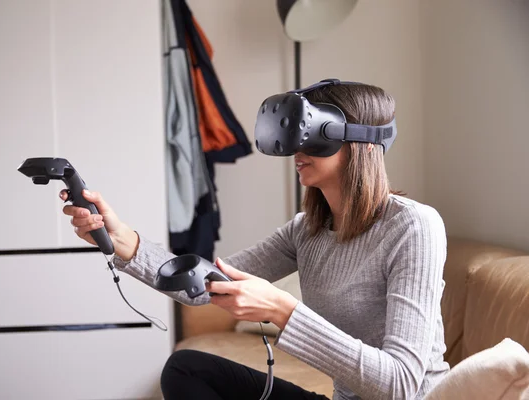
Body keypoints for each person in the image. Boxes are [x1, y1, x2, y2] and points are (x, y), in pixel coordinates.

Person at [60, 81, 450, 399]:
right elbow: (206, 285)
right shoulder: (307, 229)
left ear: (357, 141)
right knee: (187, 370)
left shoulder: (413, 227)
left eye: (312, 135)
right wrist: (123, 239)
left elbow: (400, 385)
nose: (298, 149)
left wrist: (284, 311)